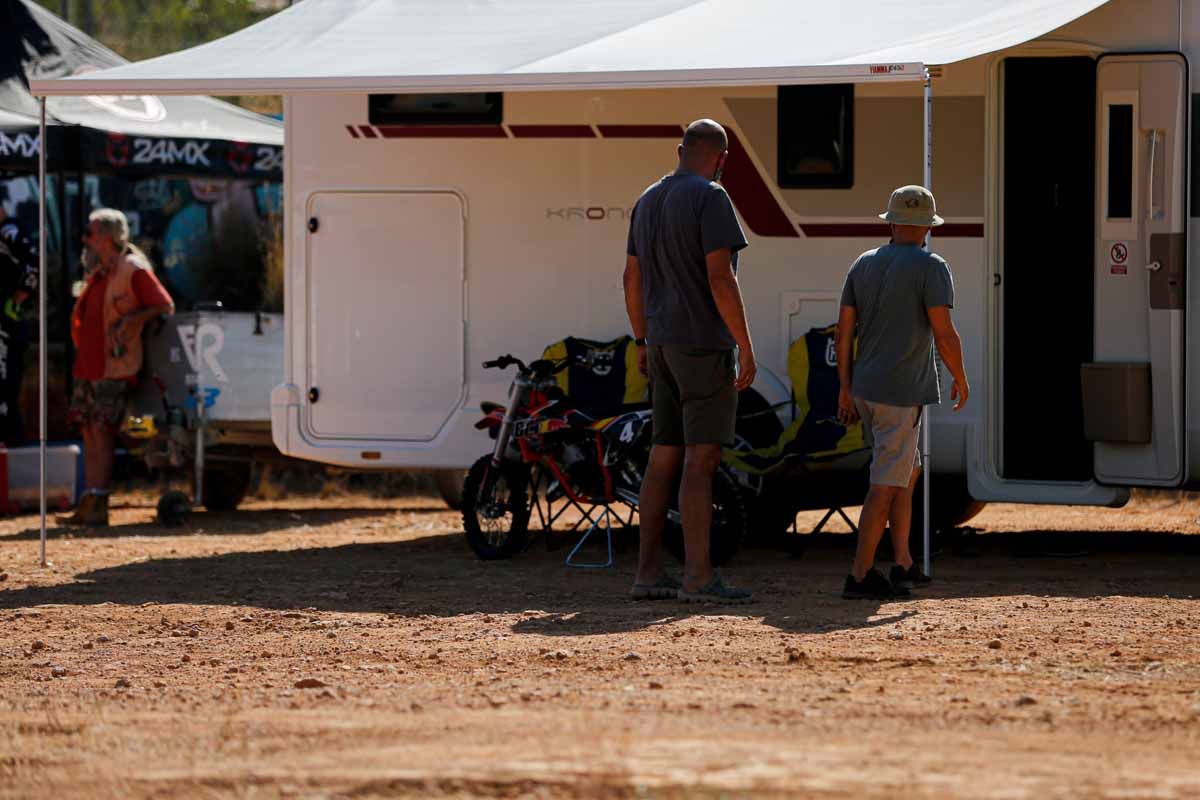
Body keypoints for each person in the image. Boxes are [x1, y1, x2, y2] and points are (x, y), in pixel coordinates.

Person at [623, 119, 755, 604]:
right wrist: (743, 342)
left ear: (681, 150)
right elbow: (721, 278)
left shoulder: (648, 200)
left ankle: (647, 574)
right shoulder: (712, 196)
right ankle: (698, 577)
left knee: (663, 458)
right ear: (722, 157)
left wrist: (641, 339)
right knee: (701, 461)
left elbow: (630, 278)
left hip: (659, 342)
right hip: (702, 342)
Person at [835, 185, 968, 599]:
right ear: (928, 228)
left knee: (905, 475)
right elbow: (943, 333)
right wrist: (960, 377)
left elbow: (843, 332)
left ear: (891, 223)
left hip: (866, 390)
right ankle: (859, 576)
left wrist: (844, 387)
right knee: (886, 484)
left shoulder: (863, 263)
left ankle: (904, 562)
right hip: (900, 393)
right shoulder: (932, 266)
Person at [58, 209, 174, 527]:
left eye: (91, 233)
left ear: (107, 237)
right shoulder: (98, 271)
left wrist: (132, 320)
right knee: (89, 430)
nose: (86, 239)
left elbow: (164, 305)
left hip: (115, 365)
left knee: (101, 431)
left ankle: (99, 501)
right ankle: (90, 502)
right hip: (90, 365)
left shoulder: (132, 269)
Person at [0, 191, 38, 444]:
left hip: (5, 326)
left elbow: (35, 262)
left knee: (3, 391)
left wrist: (16, 299)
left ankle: (10, 452)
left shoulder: (9, 230)